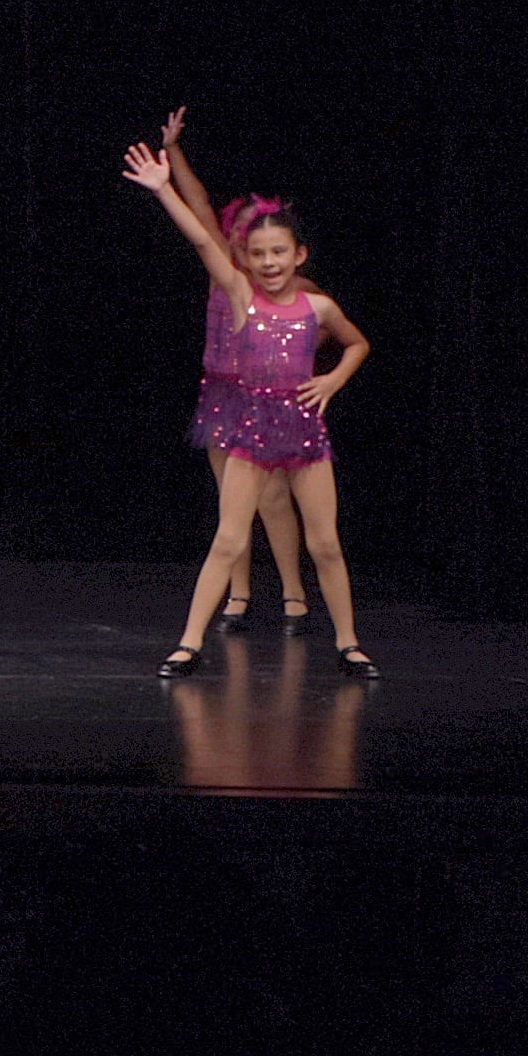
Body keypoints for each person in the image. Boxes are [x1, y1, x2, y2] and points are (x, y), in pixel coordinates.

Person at [122, 142, 375, 677]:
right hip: (252, 435)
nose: (269, 263)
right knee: (229, 538)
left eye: (279, 253)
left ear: (299, 255)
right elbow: (200, 237)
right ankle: (189, 643)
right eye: (259, 255)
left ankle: (348, 643)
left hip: (306, 437)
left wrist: (332, 380)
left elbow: (357, 343)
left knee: (326, 543)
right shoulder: (241, 294)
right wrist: (163, 189)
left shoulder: (318, 306)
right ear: (247, 259)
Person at [153, 107, 317, 634]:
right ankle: (238, 592)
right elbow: (198, 202)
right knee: (233, 501)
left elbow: (320, 323)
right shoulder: (224, 268)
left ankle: (293, 592)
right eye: (243, 238)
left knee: (274, 497)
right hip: (222, 392)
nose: (251, 248)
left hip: (265, 398)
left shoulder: (288, 287)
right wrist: (172, 149)